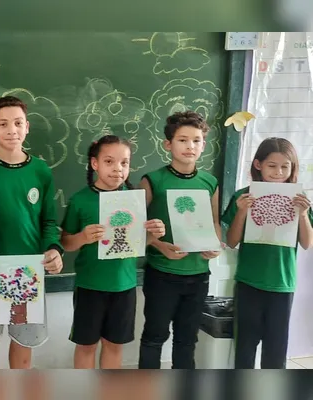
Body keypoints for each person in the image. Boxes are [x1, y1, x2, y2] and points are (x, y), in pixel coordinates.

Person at [0, 95, 64, 369]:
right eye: (4, 123)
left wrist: (54, 249)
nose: (12, 130)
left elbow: (48, 221)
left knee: (22, 341)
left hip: (29, 269)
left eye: (18, 123)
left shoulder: (40, 171)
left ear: (27, 127)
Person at [61, 135, 166, 369]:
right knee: (86, 345)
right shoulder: (80, 200)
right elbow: (66, 243)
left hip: (124, 286)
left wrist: (153, 234)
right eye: (109, 162)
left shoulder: (134, 201)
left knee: (114, 345)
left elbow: (137, 243)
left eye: (124, 163)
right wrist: (82, 237)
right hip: (91, 286)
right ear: (95, 164)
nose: (118, 169)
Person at [137, 110, 223, 369]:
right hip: (162, 274)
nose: (190, 146)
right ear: (168, 144)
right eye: (183, 140)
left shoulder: (209, 182)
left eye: (196, 140)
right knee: (154, 337)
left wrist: (215, 246)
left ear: (203, 145)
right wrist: (160, 245)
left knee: (187, 339)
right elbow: (135, 230)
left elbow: (214, 223)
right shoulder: (153, 180)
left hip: (198, 275)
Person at [222, 137, 312, 369]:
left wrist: (302, 214)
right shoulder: (243, 196)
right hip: (248, 282)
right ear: (258, 164)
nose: (278, 172)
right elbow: (231, 241)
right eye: (272, 165)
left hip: (282, 285)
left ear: (293, 168)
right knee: (245, 347)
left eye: (285, 166)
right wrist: (242, 212)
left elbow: (307, 243)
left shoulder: (299, 200)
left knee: (275, 351)